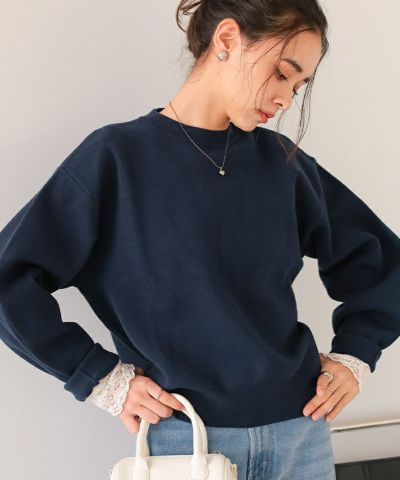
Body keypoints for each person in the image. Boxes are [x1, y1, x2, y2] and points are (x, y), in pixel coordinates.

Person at [0, 1, 399, 479]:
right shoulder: (116, 159)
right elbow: (9, 281)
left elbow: (383, 264)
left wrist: (356, 356)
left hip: (301, 435)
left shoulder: (282, 164)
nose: (285, 100)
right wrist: (98, 378)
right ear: (227, 39)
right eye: (281, 74)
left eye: (297, 86)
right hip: (185, 440)